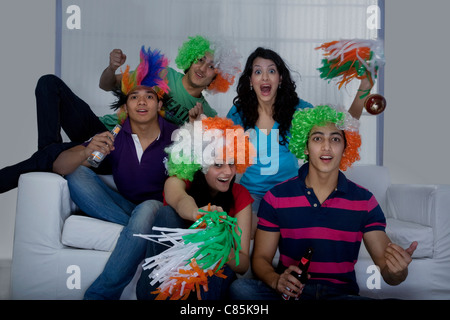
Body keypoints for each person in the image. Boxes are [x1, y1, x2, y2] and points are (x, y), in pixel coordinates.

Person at [0, 35, 240, 194]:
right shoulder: (163, 74)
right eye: (200, 60)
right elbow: (108, 85)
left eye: (211, 67)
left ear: (216, 78)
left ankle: (45, 160)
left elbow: (195, 159)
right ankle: (47, 157)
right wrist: (112, 67)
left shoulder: (207, 114)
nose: (203, 68)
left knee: (53, 155)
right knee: (48, 83)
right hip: (103, 128)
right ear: (190, 59)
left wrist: (194, 126)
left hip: (122, 150)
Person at [229, 105, 418, 300]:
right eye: (317, 138)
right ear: (305, 147)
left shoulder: (365, 201)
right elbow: (260, 260)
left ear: (346, 148)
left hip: (340, 295)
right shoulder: (276, 197)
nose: (326, 147)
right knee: (241, 289)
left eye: (335, 139)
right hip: (290, 294)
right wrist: (276, 281)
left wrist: (398, 272)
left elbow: (388, 272)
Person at [53, 47, 178, 300]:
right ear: (126, 105)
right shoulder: (115, 136)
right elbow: (60, 166)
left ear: (160, 103)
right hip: (125, 207)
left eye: (149, 97)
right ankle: (137, 229)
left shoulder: (176, 136)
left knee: (148, 209)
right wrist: (84, 153)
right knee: (77, 174)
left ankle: (98, 296)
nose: (141, 102)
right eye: (134, 97)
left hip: (161, 211)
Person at [226, 47, 373, 235]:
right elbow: (221, 152)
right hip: (251, 195)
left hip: (290, 192)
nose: (265, 77)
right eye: (258, 71)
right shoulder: (239, 112)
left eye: (271, 71)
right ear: (250, 80)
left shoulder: (299, 110)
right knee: (245, 232)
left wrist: (365, 87)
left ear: (280, 79)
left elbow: (343, 128)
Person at [136, 116, 255, 300]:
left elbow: (243, 263)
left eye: (231, 163)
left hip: (208, 281)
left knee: (216, 265)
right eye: (218, 165)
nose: (228, 172)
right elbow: (179, 199)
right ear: (201, 164)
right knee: (167, 213)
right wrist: (198, 214)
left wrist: (218, 244)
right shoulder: (179, 181)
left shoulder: (240, 195)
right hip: (163, 281)